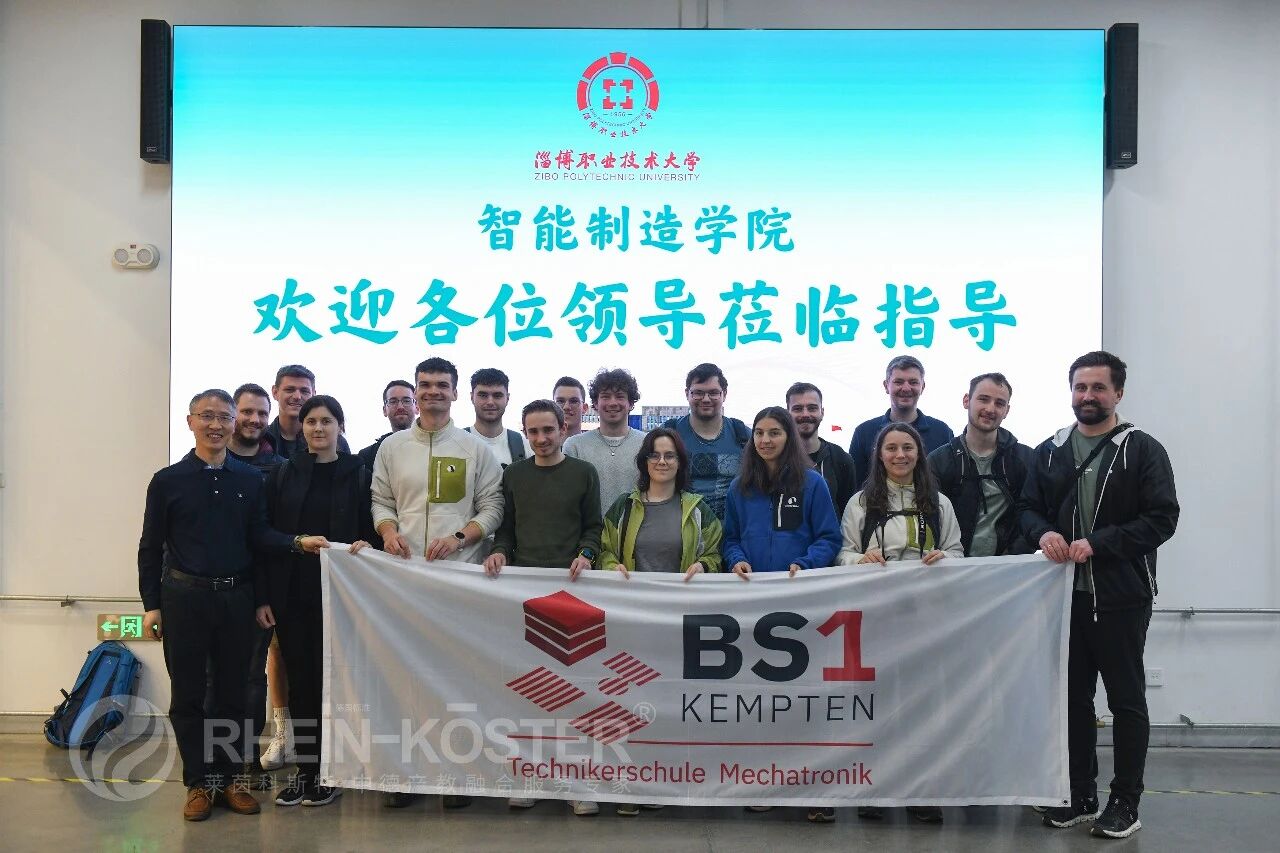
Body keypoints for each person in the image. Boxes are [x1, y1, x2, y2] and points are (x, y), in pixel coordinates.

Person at [138, 389, 327, 822]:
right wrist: (152, 604)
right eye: (207, 416)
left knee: (234, 696)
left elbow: (258, 540)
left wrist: (294, 546)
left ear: (233, 424)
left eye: (223, 417)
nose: (216, 425)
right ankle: (198, 783)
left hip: (237, 599)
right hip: (184, 599)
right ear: (190, 422)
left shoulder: (249, 479)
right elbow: (150, 546)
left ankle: (230, 780)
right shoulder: (167, 481)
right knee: (189, 696)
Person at [1021, 351, 1178, 839]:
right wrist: (1044, 532)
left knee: (1126, 701)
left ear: (1118, 393)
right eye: (1080, 387)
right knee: (1073, 700)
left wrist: (1100, 544)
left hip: (1122, 596)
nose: (1088, 396)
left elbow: (1162, 518)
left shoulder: (1142, 449)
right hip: (1064, 597)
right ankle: (1080, 794)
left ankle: (1125, 801)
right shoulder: (1050, 450)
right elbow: (1027, 507)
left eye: (1098, 387)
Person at [370, 357, 504, 810]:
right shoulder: (392, 448)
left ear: (454, 392)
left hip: (458, 579)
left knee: (455, 677)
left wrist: (461, 537)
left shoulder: (474, 448)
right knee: (404, 677)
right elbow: (381, 499)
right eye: (425, 384)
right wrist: (388, 531)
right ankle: (405, 776)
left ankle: (456, 775)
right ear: (415, 390)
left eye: (441, 385)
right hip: (403, 581)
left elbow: (493, 506)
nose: (433, 392)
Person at [838, 421, 962, 823]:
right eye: (891, 448)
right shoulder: (860, 503)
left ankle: (921, 789)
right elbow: (842, 554)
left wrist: (945, 560)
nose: (900, 455)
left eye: (907, 447)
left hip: (926, 617)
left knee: (922, 704)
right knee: (877, 701)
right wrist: (862, 559)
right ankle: (874, 787)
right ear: (879, 455)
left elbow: (957, 551)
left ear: (919, 453)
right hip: (876, 617)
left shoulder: (939, 503)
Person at [721, 407, 840, 822]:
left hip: (801, 606)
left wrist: (805, 564)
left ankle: (815, 790)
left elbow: (829, 537)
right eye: (759, 432)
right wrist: (735, 559)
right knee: (759, 700)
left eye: (774, 432)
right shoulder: (740, 487)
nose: (766, 440)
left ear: (789, 437)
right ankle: (764, 782)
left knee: (804, 700)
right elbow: (730, 538)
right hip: (753, 609)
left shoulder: (812, 483)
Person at [484, 400, 602, 816]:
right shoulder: (514, 475)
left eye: (548, 430)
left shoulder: (584, 473)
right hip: (525, 595)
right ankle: (530, 777)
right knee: (531, 693)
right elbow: (506, 529)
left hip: (572, 595)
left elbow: (593, 527)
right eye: (532, 432)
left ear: (563, 429)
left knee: (573, 693)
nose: (541, 438)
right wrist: (500, 551)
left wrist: (587, 553)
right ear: (525, 433)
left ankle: (578, 782)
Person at [257, 395, 376, 808]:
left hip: (343, 596)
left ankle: (333, 772)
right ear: (301, 427)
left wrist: (369, 543)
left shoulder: (359, 474)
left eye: (327, 421)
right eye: (311, 421)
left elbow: (374, 530)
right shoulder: (282, 473)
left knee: (336, 685)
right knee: (302, 684)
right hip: (295, 595)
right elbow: (265, 534)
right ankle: (307, 771)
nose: (318, 428)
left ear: (340, 426)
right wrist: (295, 545)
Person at [218, 383, 284, 784]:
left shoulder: (279, 469)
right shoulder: (203, 465)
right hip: (205, 592)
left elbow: (271, 537)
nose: (255, 420)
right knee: (211, 681)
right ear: (232, 415)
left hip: (256, 591)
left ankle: (245, 760)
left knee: (251, 679)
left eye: (261, 413)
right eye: (247, 412)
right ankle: (212, 767)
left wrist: (265, 595)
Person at [926, 373, 1034, 556]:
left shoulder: (1025, 458)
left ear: (1007, 410)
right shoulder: (939, 461)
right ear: (966, 400)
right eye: (983, 399)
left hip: (1009, 567)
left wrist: (1013, 556)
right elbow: (930, 517)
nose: (990, 409)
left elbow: (1034, 513)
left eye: (999, 403)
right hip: (952, 564)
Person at [847, 356, 953, 488]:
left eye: (913, 382)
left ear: (923, 386)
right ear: (886, 386)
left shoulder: (942, 432)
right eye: (899, 382)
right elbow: (856, 485)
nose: (906, 388)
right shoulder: (863, 433)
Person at [662, 363, 751, 520]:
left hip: (731, 530)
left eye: (713, 393)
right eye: (698, 393)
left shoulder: (743, 435)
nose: (706, 399)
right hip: (680, 528)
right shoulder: (668, 433)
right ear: (687, 394)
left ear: (724, 394)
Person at [564, 368, 646, 512]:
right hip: (589, 526)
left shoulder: (647, 443)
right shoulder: (575, 446)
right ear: (595, 403)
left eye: (620, 396)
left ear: (631, 403)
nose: (613, 403)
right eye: (606, 397)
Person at [786, 381, 858, 516]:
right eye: (798, 409)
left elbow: (849, 514)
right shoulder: (777, 458)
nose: (805, 414)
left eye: (812, 408)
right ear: (787, 414)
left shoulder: (841, 459)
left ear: (822, 412)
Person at [263, 364, 350, 458]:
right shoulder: (261, 440)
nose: (297, 396)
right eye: (289, 390)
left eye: (304, 391)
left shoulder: (336, 442)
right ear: (275, 392)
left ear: (313, 394)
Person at [466, 367, 531, 468]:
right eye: (483, 395)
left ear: (507, 398)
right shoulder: (457, 442)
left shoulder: (524, 446)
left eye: (497, 395)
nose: (490, 402)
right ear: (471, 397)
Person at [357, 379, 417, 469]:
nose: (400, 407)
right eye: (393, 401)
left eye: (406, 401)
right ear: (384, 410)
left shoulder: (431, 447)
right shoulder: (368, 456)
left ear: (417, 407)